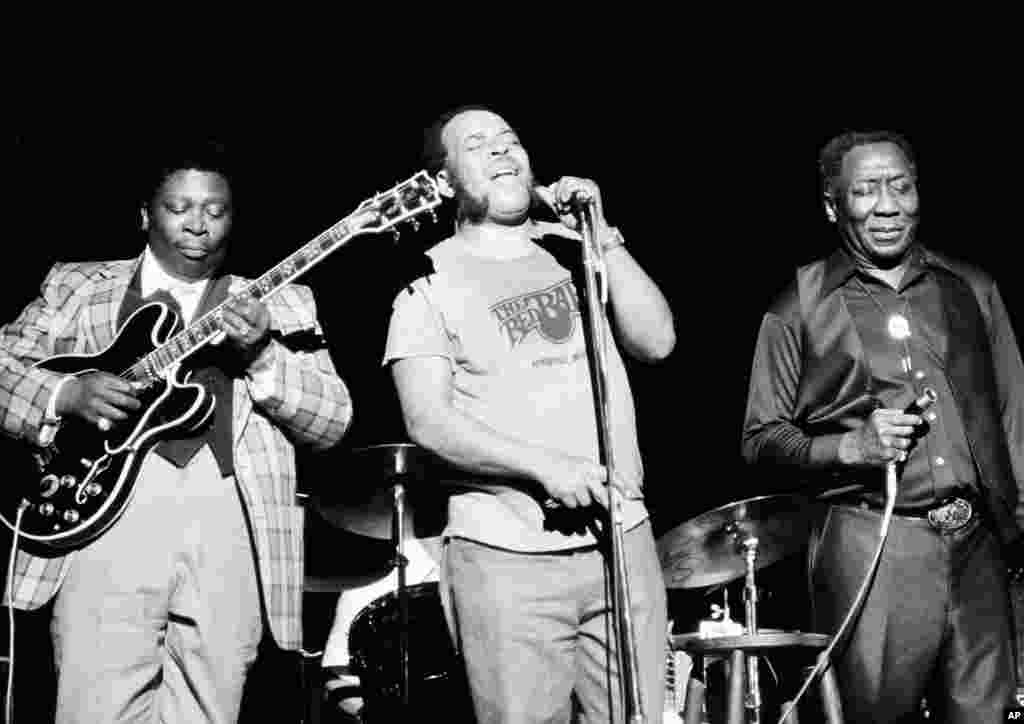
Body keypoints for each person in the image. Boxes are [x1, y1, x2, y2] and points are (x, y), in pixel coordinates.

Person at [0, 138, 353, 723]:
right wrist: (67, 393)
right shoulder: (77, 285)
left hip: (231, 517)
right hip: (103, 515)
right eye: (179, 208)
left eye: (216, 212)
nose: (198, 225)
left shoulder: (287, 302)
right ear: (144, 214)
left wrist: (263, 354)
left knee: (211, 706)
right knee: (95, 705)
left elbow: (334, 420)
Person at [382, 104, 676, 723]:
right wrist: (544, 467)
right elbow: (428, 421)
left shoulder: (577, 251)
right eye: (477, 145)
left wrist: (602, 232)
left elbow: (657, 341)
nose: (501, 151)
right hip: (505, 553)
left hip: (620, 542)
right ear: (444, 181)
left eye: (510, 140)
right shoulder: (427, 280)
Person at [741, 130, 1023, 722]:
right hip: (874, 543)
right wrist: (852, 445)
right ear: (832, 206)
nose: (887, 205)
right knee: (871, 713)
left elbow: (1013, 415)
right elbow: (762, 438)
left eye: (900, 186)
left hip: (977, 549)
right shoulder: (800, 303)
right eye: (866, 191)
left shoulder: (971, 287)